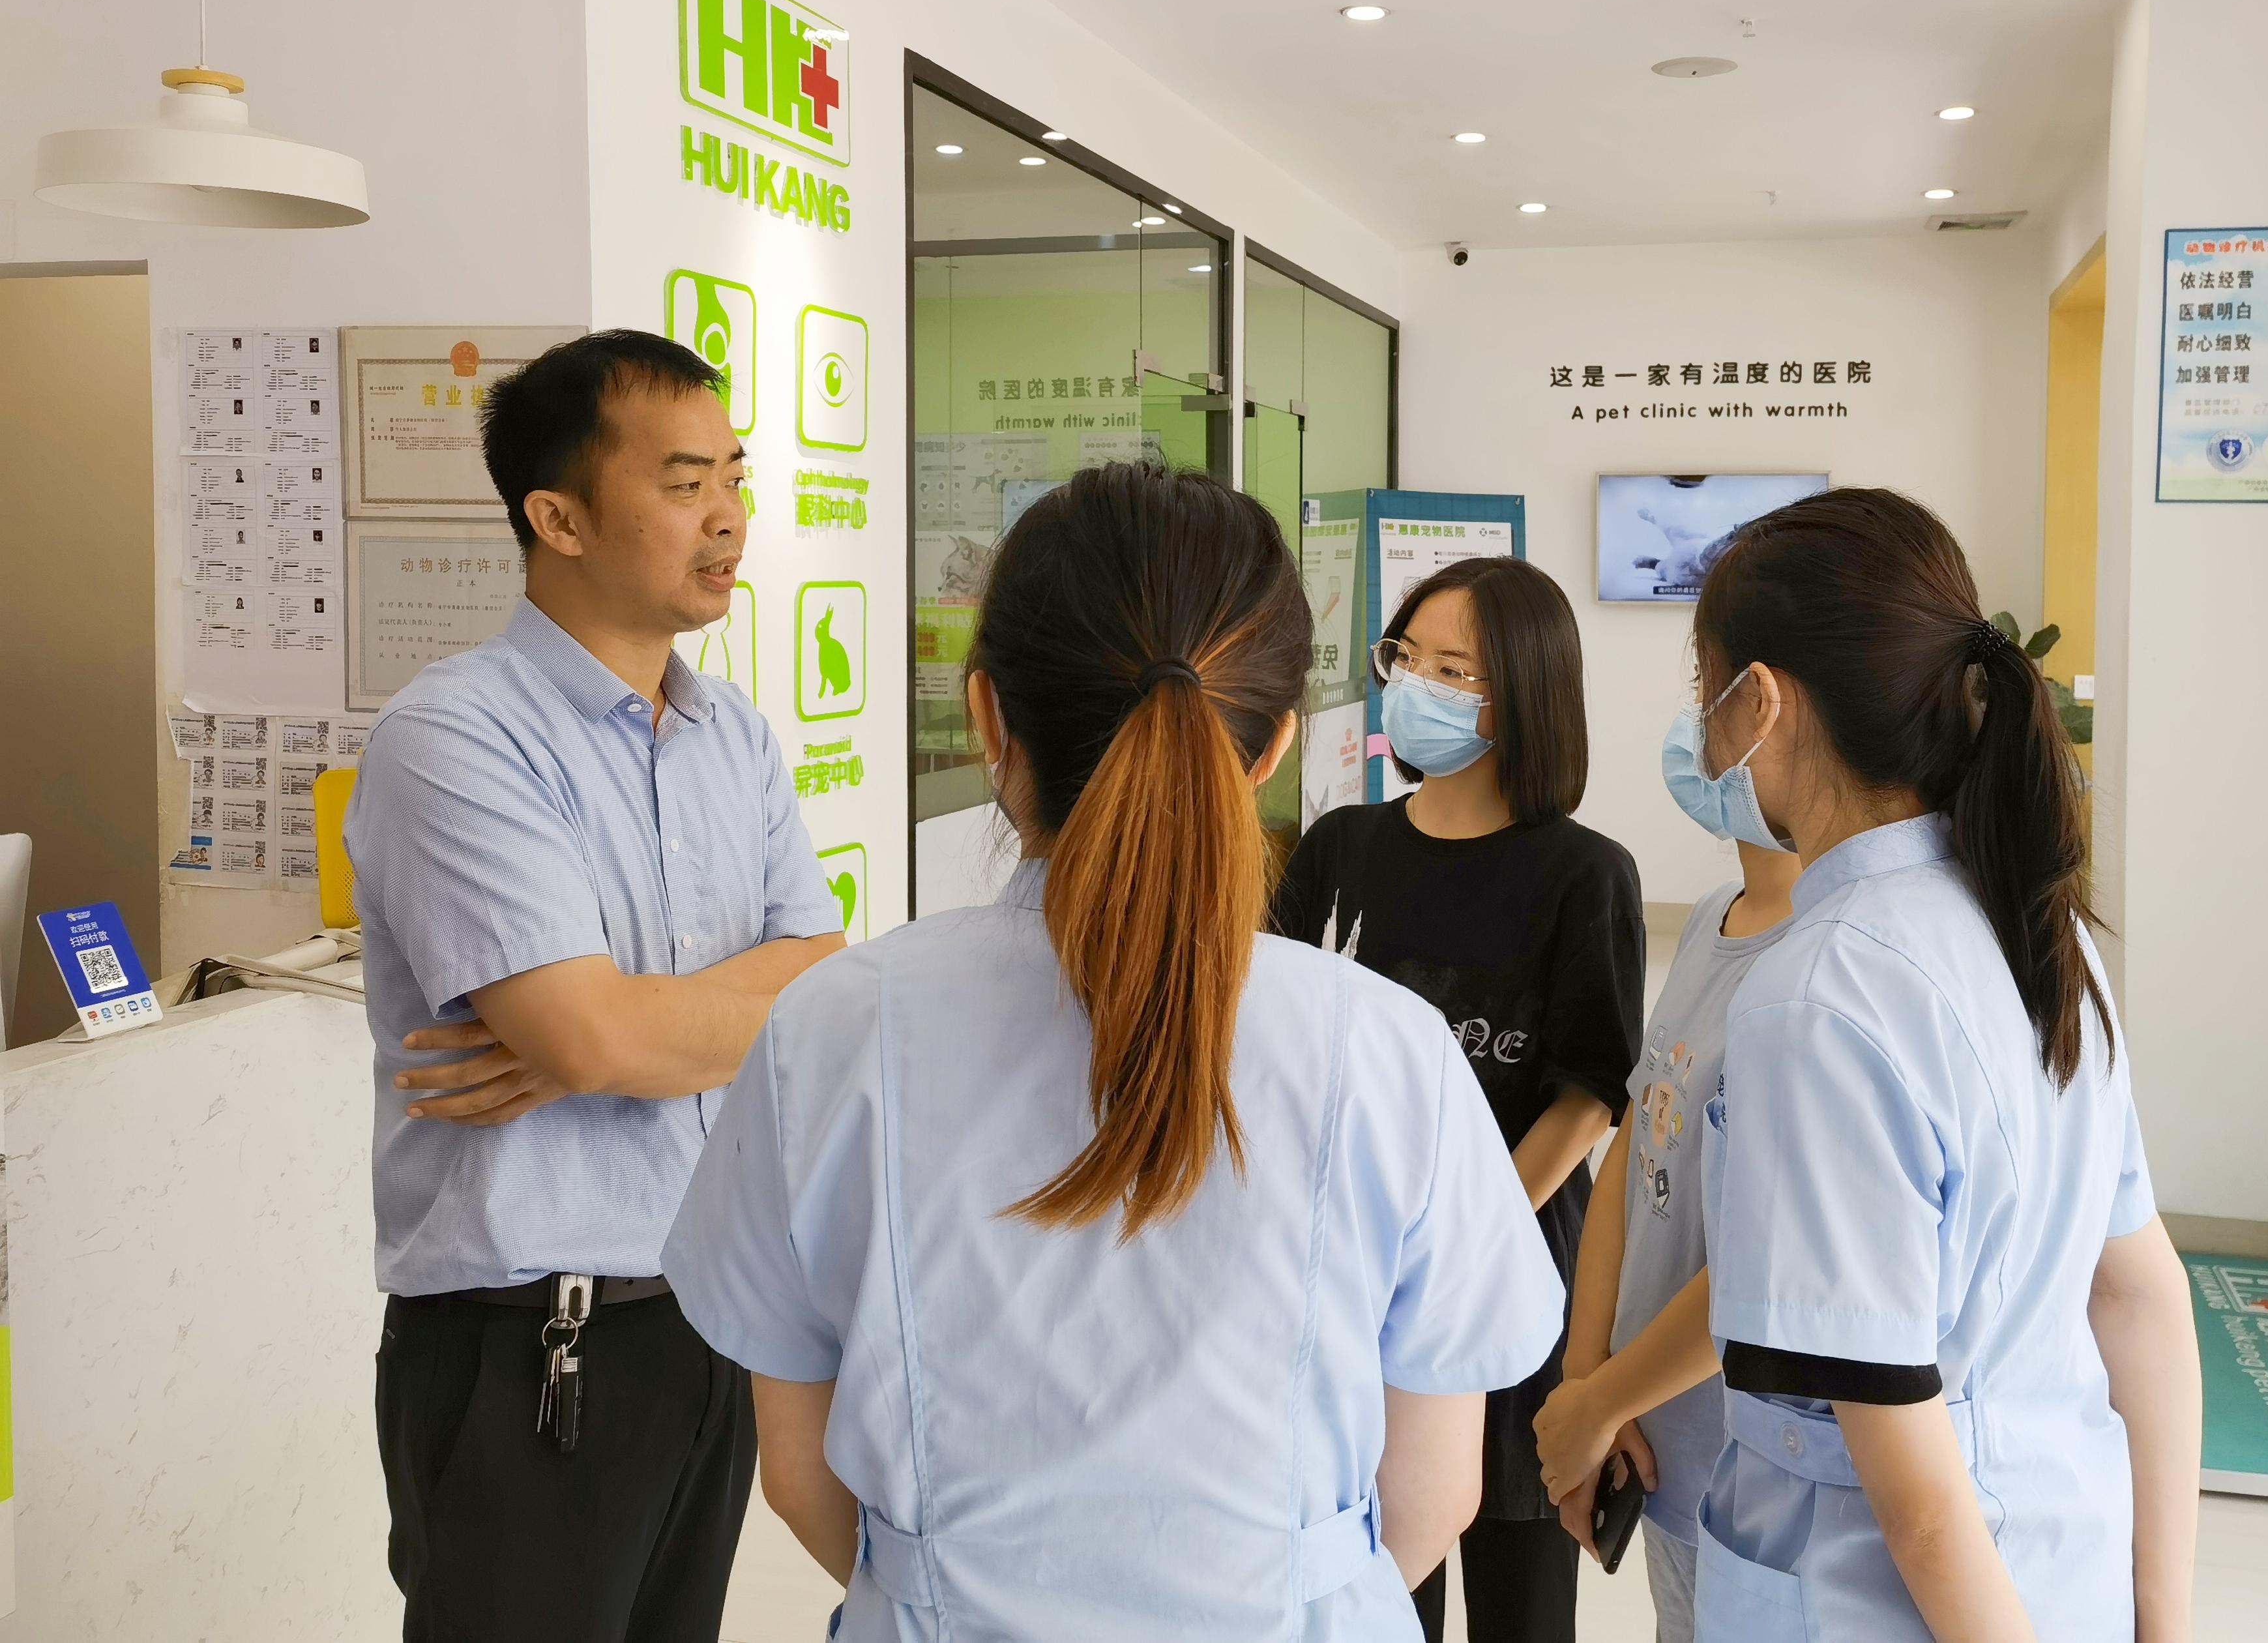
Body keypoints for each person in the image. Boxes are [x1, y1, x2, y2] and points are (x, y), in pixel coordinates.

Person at [661, 462, 1565, 1641]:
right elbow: (1434, 1496)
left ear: (988, 717)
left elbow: (797, 1473)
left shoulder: (832, 1028)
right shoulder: (1392, 1049)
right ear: (1273, 747)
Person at [346, 330, 846, 1642]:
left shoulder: (734, 737)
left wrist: (619, 1025)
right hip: (529, 1346)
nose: (728, 514)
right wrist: (600, 1032)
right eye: (684, 483)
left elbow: (825, 984)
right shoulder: (453, 735)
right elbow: (587, 1033)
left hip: (709, 1321)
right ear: (557, 517)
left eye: (733, 475)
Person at [1680, 488, 2200, 1640]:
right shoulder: (2041, 932)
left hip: (1890, 1604)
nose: (1700, 733)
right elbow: (2140, 1292)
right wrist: (2164, 1617)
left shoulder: (1815, 997)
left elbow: (1915, 1505)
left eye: (1702, 691)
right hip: (2060, 1567)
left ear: (1760, 701)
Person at [1273, 557, 1645, 1643]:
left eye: (1452, 669)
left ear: (1522, 693)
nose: (1413, 685)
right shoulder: (1340, 848)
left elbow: (1588, 1093)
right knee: (1379, 1582)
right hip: (1351, 1272)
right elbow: (1275, 1041)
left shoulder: (1584, 874)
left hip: (1511, 1269)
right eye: (1405, 658)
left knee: (1522, 1596)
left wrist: (1467, 1229)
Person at [1533, 833, 1798, 1640]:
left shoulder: (1818, 963)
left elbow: (1767, 1258)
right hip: (1654, 1455)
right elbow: (1639, 1142)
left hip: (1751, 1480)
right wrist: (1587, 1377)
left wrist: (1599, 1403)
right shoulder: (1713, 915)